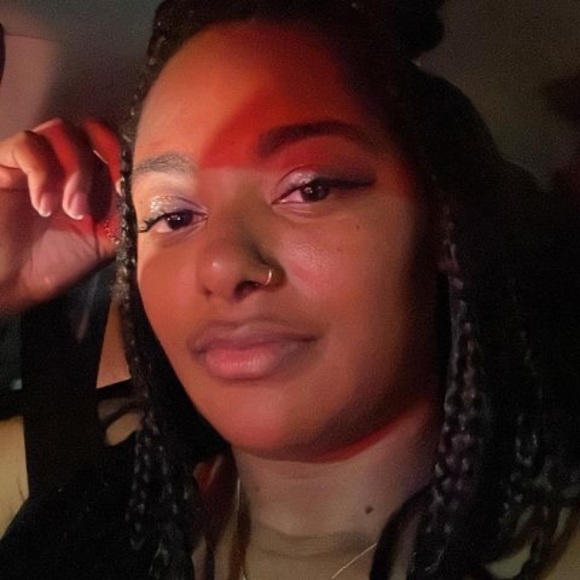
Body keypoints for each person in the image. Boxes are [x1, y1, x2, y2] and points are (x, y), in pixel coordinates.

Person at [0, 0, 579, 578]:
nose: (222, 265)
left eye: (311, 188)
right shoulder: (65, 485)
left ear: (442, 224)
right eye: (173, 216)